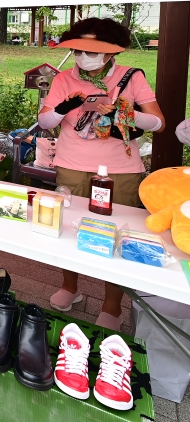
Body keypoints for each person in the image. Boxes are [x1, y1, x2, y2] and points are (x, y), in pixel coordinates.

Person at [39, 18, 165, 330]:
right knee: (66, 227)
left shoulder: (131, 77)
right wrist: (65, 107)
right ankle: (70, 286)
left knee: (118, 232)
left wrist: (121, 111)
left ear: (110, 53)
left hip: (120, 169)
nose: (84, 56)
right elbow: (44, 122)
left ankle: (112, 303)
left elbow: (158, 122)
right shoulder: (64, 79)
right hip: (71, 163)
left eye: (92, 51)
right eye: (79, 49)